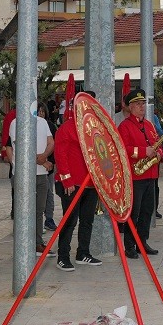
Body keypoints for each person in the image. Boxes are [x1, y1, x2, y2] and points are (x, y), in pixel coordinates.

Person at [52, 96, 100, 270]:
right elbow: (60, 154)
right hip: (72, 184)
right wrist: (67, 180)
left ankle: (83, 253)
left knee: (88, 220)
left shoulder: (94, 128)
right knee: (70, 220)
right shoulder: (67, 128)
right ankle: (62, 257)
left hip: (90, 183)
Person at [117, 89, 162, 259]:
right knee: (133, 213)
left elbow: (158, 144)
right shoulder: (125, 126)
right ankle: (129, 246)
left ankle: (142, 242)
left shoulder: (149, 125)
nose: (141, 107)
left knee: (146, 212)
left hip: (150, 175)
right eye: (137, 104)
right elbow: (122, 150)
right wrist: (144, 151)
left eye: (143, 103)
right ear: (130, 107)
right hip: (135, 177)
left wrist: (159, 154)